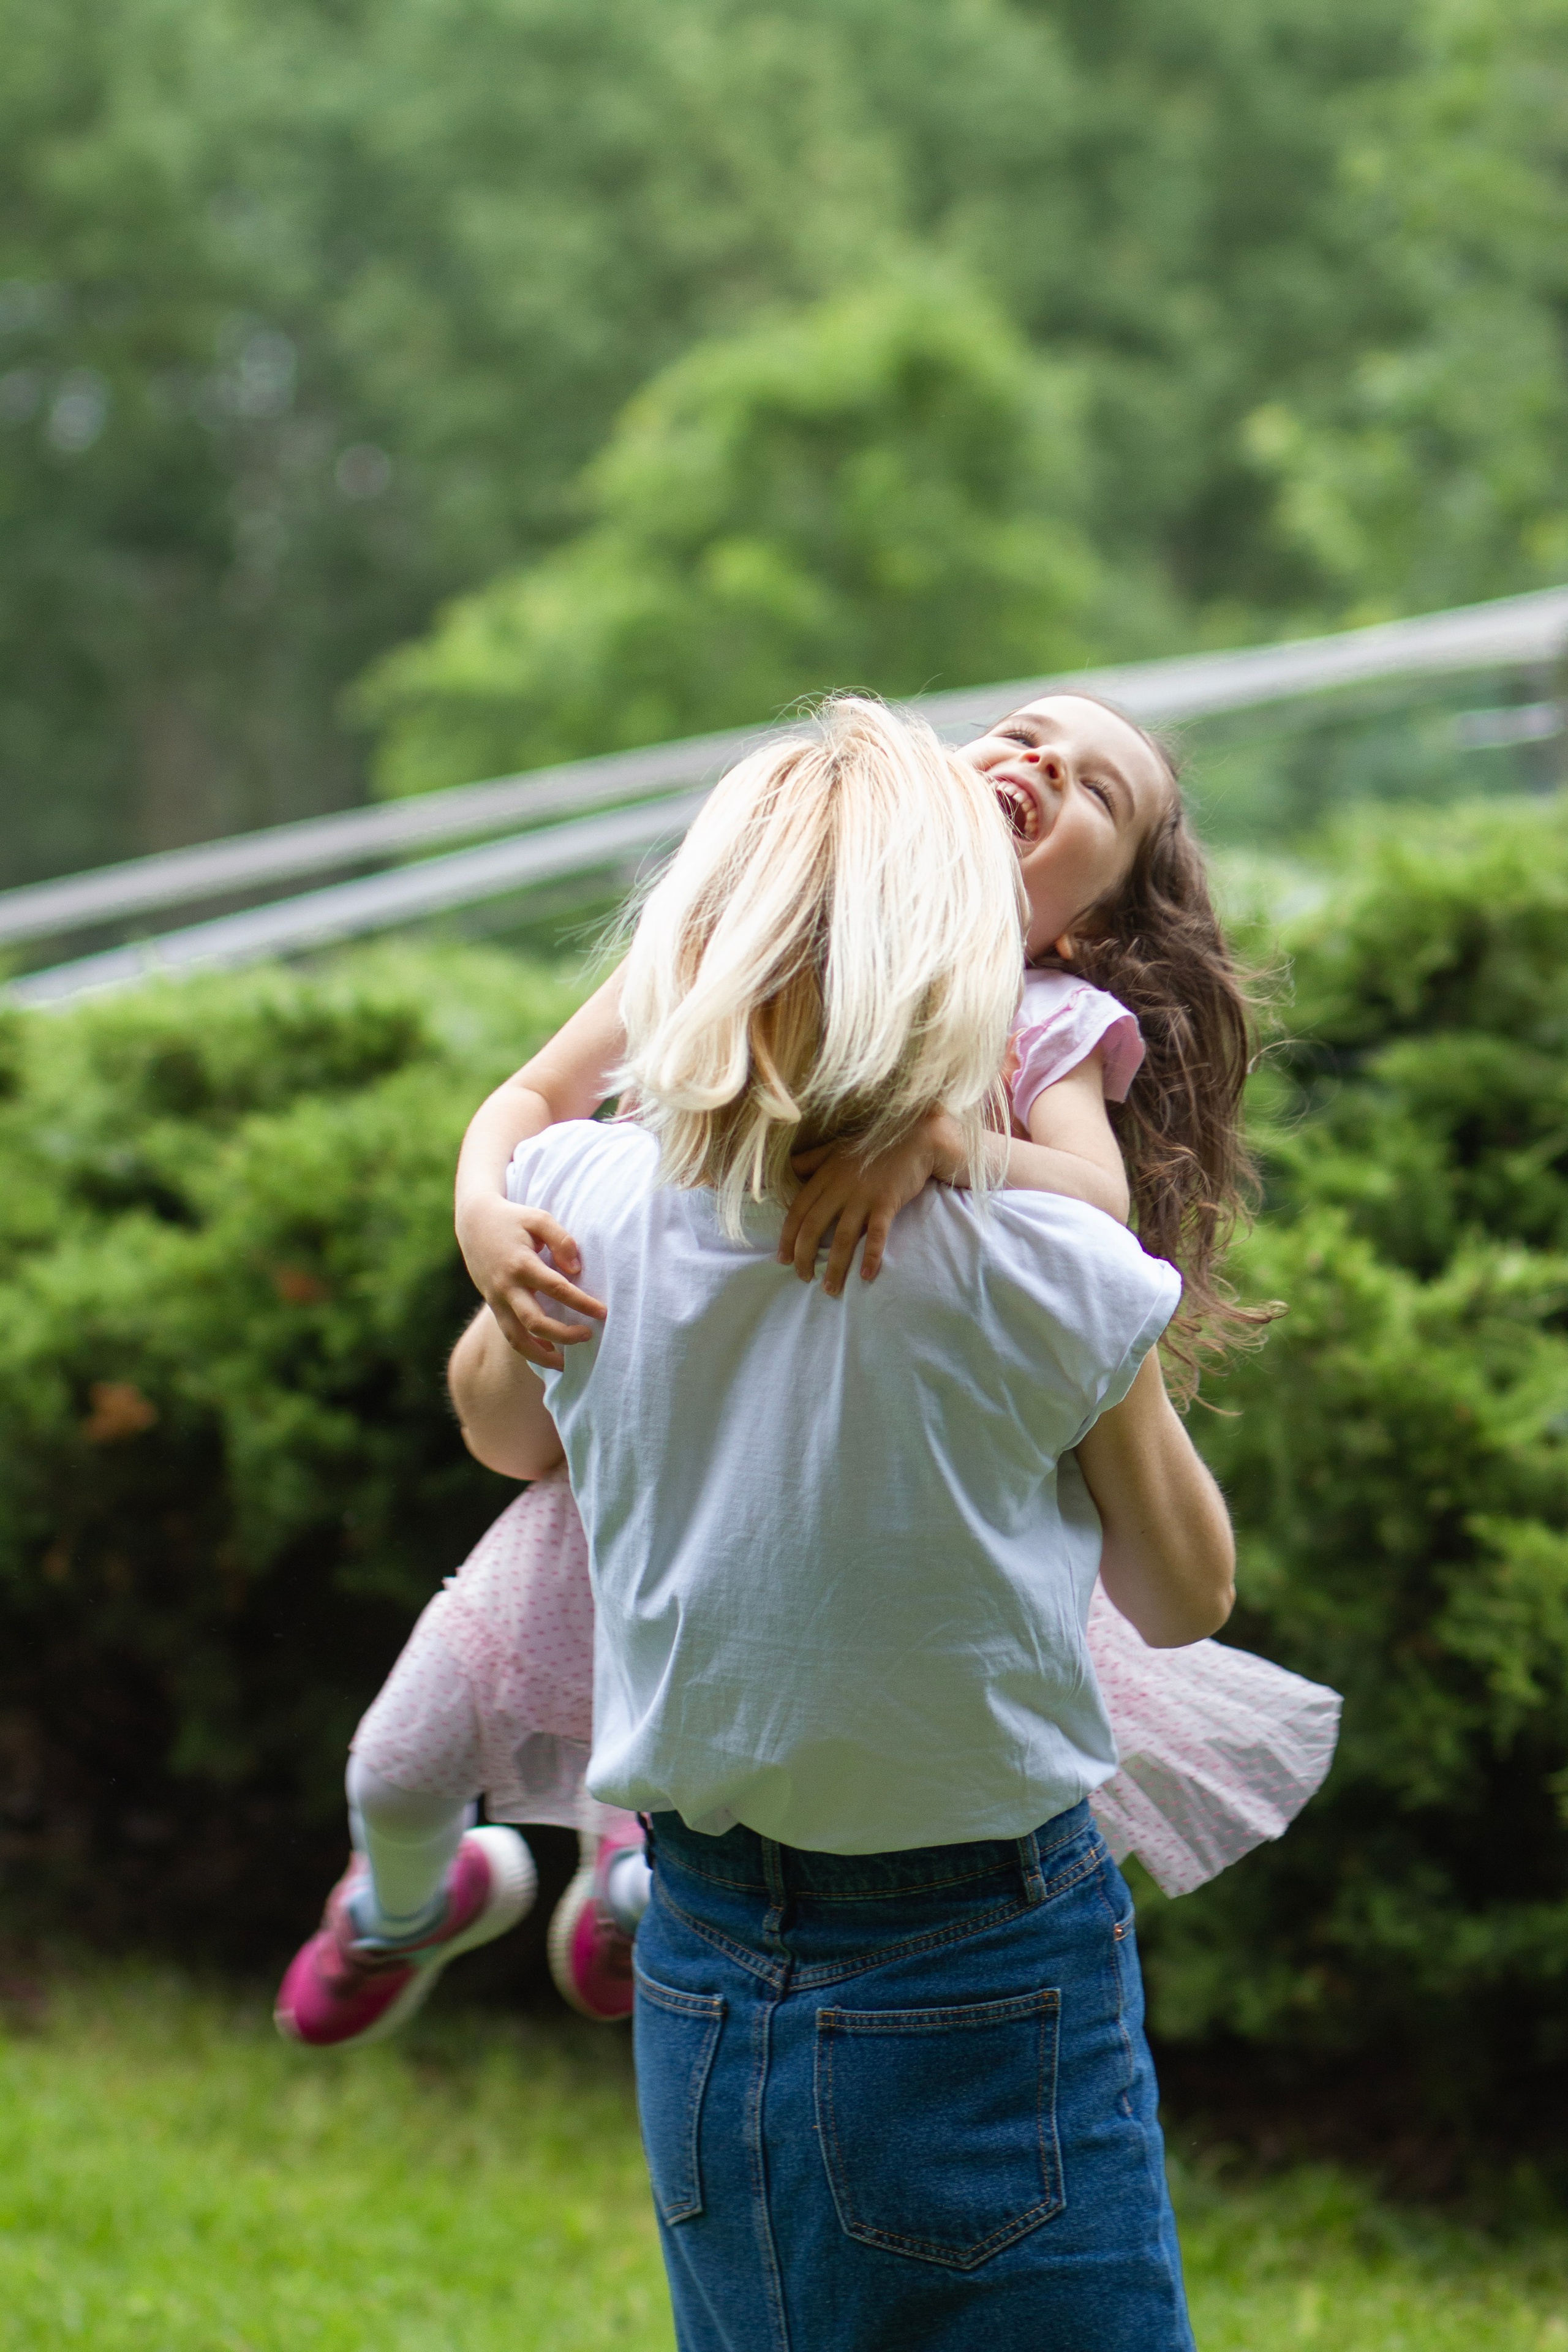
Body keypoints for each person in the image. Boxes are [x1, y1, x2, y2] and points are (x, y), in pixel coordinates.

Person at [273, 688, 1339, 2046]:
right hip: (634, 1452)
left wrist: (935, 1143)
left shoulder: (1042, 1018)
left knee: (720, 1742)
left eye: (1094, 789)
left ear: (1087, 925)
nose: (1039, 764)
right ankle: (424, 1903)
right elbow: (533, 1100)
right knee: (408, 1755)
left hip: (837, 1486)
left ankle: (633, 1898)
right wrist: (487, 1214)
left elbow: (1093, 1204)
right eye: (1023, 733)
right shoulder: (718, 946)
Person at [448, 695, 1231, 2350]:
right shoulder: (1048, 1268)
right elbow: (1183, 1597)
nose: (1032, 767)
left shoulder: (588, 1195)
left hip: (702, 1955)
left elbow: (503, 1431)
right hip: (983, 1954)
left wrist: (517, 1234)